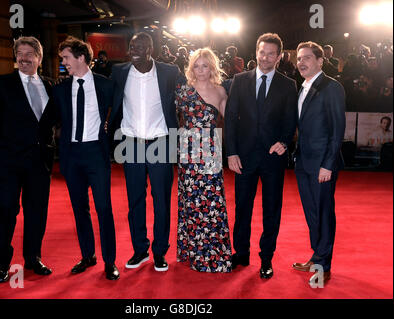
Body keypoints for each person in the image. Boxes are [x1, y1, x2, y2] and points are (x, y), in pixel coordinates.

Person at [0, 36, 57, 283]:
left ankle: (33, 258)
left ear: (39, 58)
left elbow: (54, 123)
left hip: (39, 162)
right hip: (9, 163)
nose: (24, 58)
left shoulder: (50, 85)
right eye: (19, 54)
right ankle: (2, 263)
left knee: (37, 212)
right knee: (6, 210)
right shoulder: (1, 84)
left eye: (29, 54)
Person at [225, 33, 297, 279]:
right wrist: (231, 152)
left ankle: (266, 258)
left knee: (271, 209)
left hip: (272, 158)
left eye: (271, 53)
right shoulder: (239, 80)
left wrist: (284, 142)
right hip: (243, 157)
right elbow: (231, 119)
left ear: (279, 57)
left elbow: (290, 120)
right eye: (262, 52)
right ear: (256, 52)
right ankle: (241, 253)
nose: (266, 57)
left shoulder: (288, 85)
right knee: (242, 207)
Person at [110, 32, 184, 272]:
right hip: (130, 142)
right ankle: (140, 250)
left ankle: (160, 252)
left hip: (161, 142)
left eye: (139, 46)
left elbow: (189, 96)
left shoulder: (169, 72)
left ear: (150, 49)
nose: (134, 50)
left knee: (161, 201)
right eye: (131, 45)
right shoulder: (119, 72)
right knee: (135, 201)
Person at [53, 36, 119, 280]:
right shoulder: (60, 89)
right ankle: (88, 255)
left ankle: (110, 261)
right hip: (71, 157)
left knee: (103, 208)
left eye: (66, 58)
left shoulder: (106, 85)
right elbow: (48, 119)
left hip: (96, 154)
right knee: (79, 209)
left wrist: (111, 137)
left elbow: (119, 114)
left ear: (81, 57)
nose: (63, 62)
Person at [292, 41, 346, 285]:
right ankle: (317, 257)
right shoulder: (302, 88)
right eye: (299, 58)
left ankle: (324, 264)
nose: (301, 62)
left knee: (323, 213)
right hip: (303, 162)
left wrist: (328, 164)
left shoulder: (331, 87)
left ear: (320, 61)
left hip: (322, 165)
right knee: (312, 213)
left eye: (307, 58)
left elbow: (337, 130)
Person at [175, 48, 232, 273]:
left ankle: (213, 253)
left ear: (212, 68)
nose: (200, 70)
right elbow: (172, 120)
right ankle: (193, 252)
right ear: (191, 68)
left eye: (204, 66)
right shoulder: (183, 92)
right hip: (187, 152)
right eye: (196, 66)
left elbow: (232, 123)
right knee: (191, 201)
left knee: (212, 201)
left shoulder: (220, 92)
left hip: (210, 150)